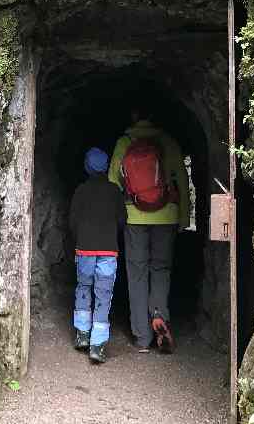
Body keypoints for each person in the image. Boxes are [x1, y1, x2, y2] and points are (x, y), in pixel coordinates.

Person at [109, 108, 189, 354]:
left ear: (133, 119)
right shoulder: (168, 142)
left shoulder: (124, 143)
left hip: (134, 216)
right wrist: (183, 216)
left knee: (137, 273)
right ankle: (159, 315)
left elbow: (113, 181)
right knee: (160, 269)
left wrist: (115, 217)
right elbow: (183, 180)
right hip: (166, 216)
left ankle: (142, 337)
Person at [68, 146, 127, 364]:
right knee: (104, 293)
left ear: (87, 167)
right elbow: (122, 220)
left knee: (84, 287)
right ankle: (98, 345)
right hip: (108, 251)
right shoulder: (114, 191)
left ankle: (82, 335)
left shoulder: (81, 191)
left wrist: (81, 237)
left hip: (85, 249)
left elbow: (72, 221)